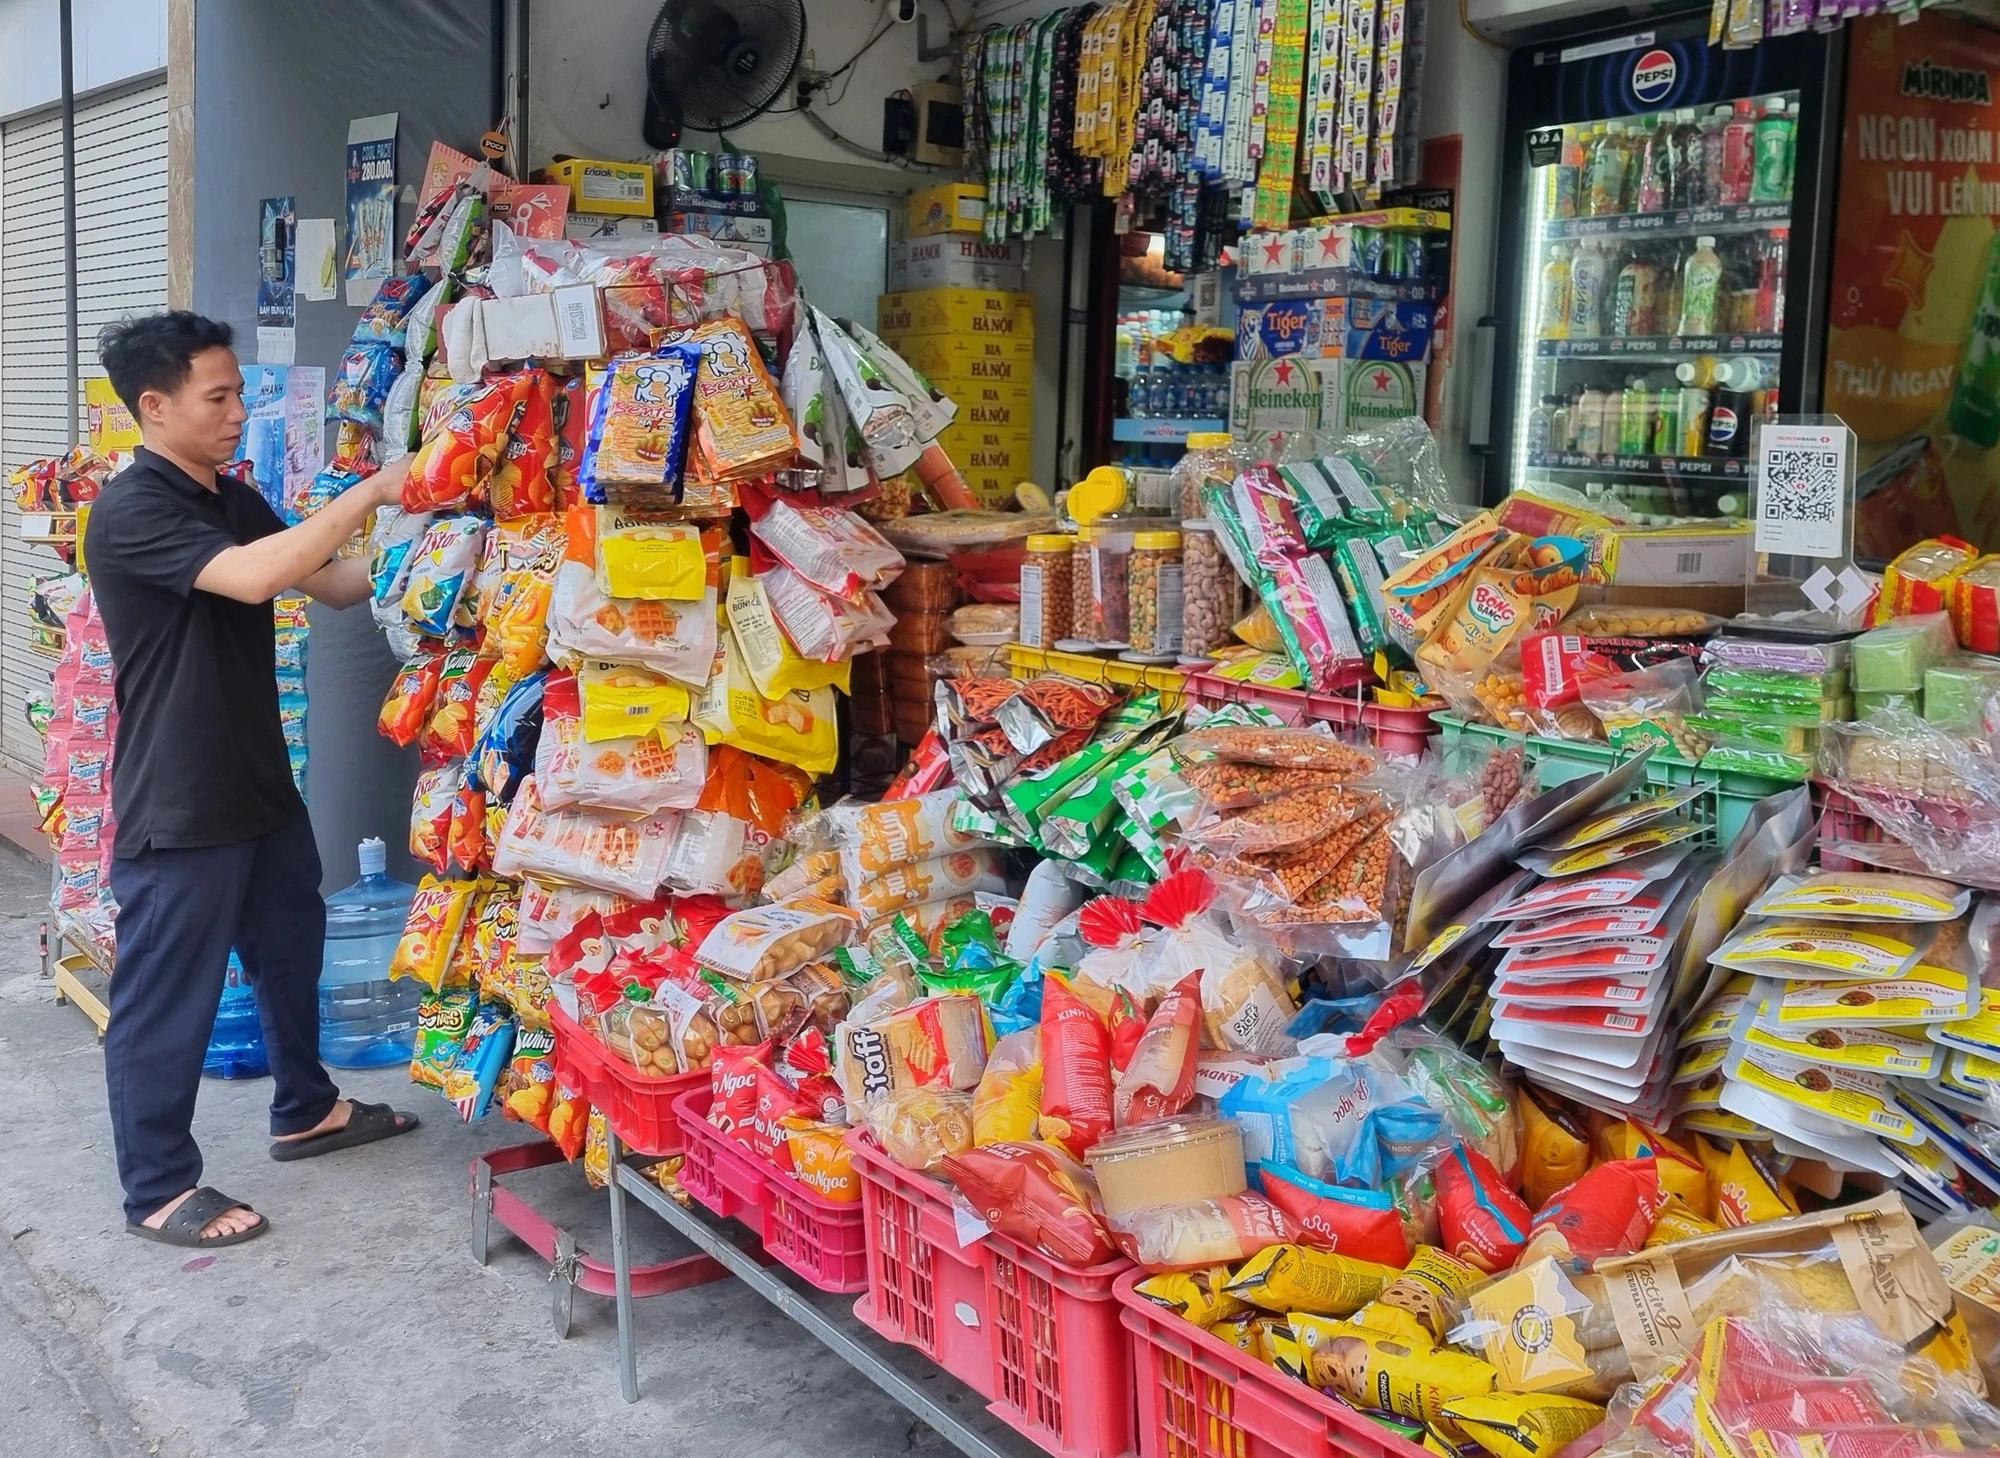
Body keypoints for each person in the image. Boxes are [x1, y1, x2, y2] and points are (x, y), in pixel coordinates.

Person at [84, 310, 419, 1250]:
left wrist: (441, 533)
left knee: (290, 949)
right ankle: (155, 1187)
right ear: (155, 407)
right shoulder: (134, 508)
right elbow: (254, 578)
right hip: (180, 798)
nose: (239, 412)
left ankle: (305, 1109)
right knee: (164, 995)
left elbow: (336, 581)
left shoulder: (226, 495)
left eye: (238, 393)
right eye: (218, 397)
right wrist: (367, 491)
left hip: (258, 783)